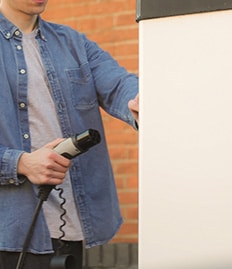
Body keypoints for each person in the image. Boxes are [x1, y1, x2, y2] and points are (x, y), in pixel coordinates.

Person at [0, 0, 139, 268]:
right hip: (9, 233)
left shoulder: (73, 43)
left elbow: (120, 85)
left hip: (72, 232)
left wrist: (140, 100)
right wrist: (20, 163)